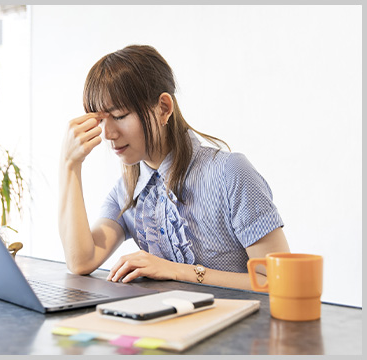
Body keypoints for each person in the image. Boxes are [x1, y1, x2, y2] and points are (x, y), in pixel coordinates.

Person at [58, 44, 290, 291]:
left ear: (163, 108)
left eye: (120, 116)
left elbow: (279, 281)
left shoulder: (230, 172)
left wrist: (177, 271)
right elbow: (80, 260)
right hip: (170, 324)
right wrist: (70, 165)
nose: (108, 134)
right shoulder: (127, 190)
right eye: (101, 120)